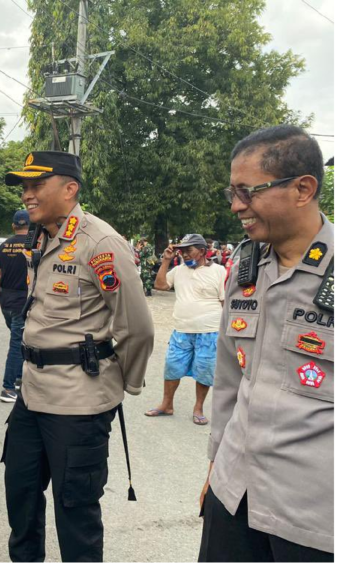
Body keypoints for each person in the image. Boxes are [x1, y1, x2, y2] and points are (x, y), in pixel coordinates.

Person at [2, 151, 154, 562]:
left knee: (76, 516)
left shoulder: (100, 242)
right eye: (25, 187)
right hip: (31, 394)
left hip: (78, 402)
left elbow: (136, 327)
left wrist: (118, 384)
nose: (27, 194)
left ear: (70, 189)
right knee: (21, 498)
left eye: (36, 185)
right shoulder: (43, 236)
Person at [199, 126, 334, 562]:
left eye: (248, 191)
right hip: (234, 491)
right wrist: (216, 464)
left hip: (316, 515)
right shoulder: (245, 265)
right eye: (231, 192)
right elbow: (228, 377)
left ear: (302, 189)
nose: (237, 205)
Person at [145, 234, 226, 425]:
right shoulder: (178, 270)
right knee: (172, 367)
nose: (184, 254)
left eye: (189, 250)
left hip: (210, 331)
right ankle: (167, 405)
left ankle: (198, 408)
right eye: (182, 251)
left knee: (205, 370)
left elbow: (224, 302)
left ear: (202, 251)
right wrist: (165, 261)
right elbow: (160, 285)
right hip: (181, 330)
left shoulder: (219, 271)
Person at [0, 209, 29, 402]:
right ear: (30, 226)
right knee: (17, 344)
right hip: (24, 302)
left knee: (20, 341)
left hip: (6, 303)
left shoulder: (4, 246)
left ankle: (20, 378)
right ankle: (8, 387)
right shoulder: (33, 244)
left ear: (13, 225)